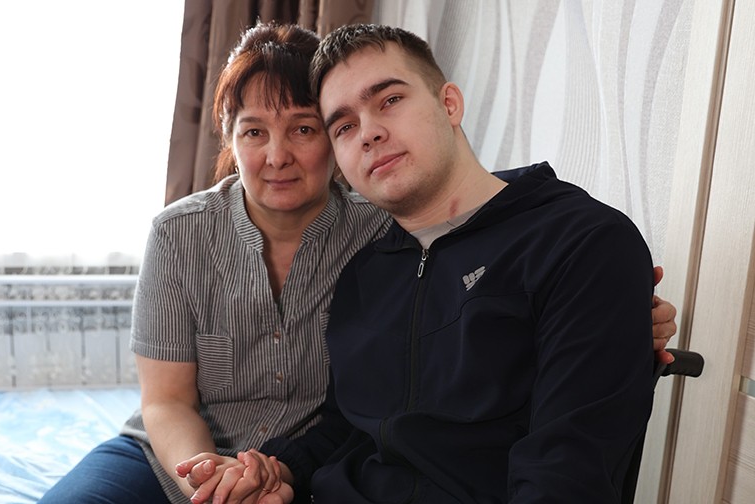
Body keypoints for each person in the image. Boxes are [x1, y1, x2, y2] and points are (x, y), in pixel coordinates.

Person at [39, 22, 677, 504]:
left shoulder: (391, 229)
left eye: (307, 128)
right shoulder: (204, 236)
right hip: (213, 465)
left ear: (449, 104)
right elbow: (174, 403)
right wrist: (241, 477)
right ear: (230, 140)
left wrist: (607, 309)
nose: (278, 155)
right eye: (254, 132)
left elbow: (485, 230)